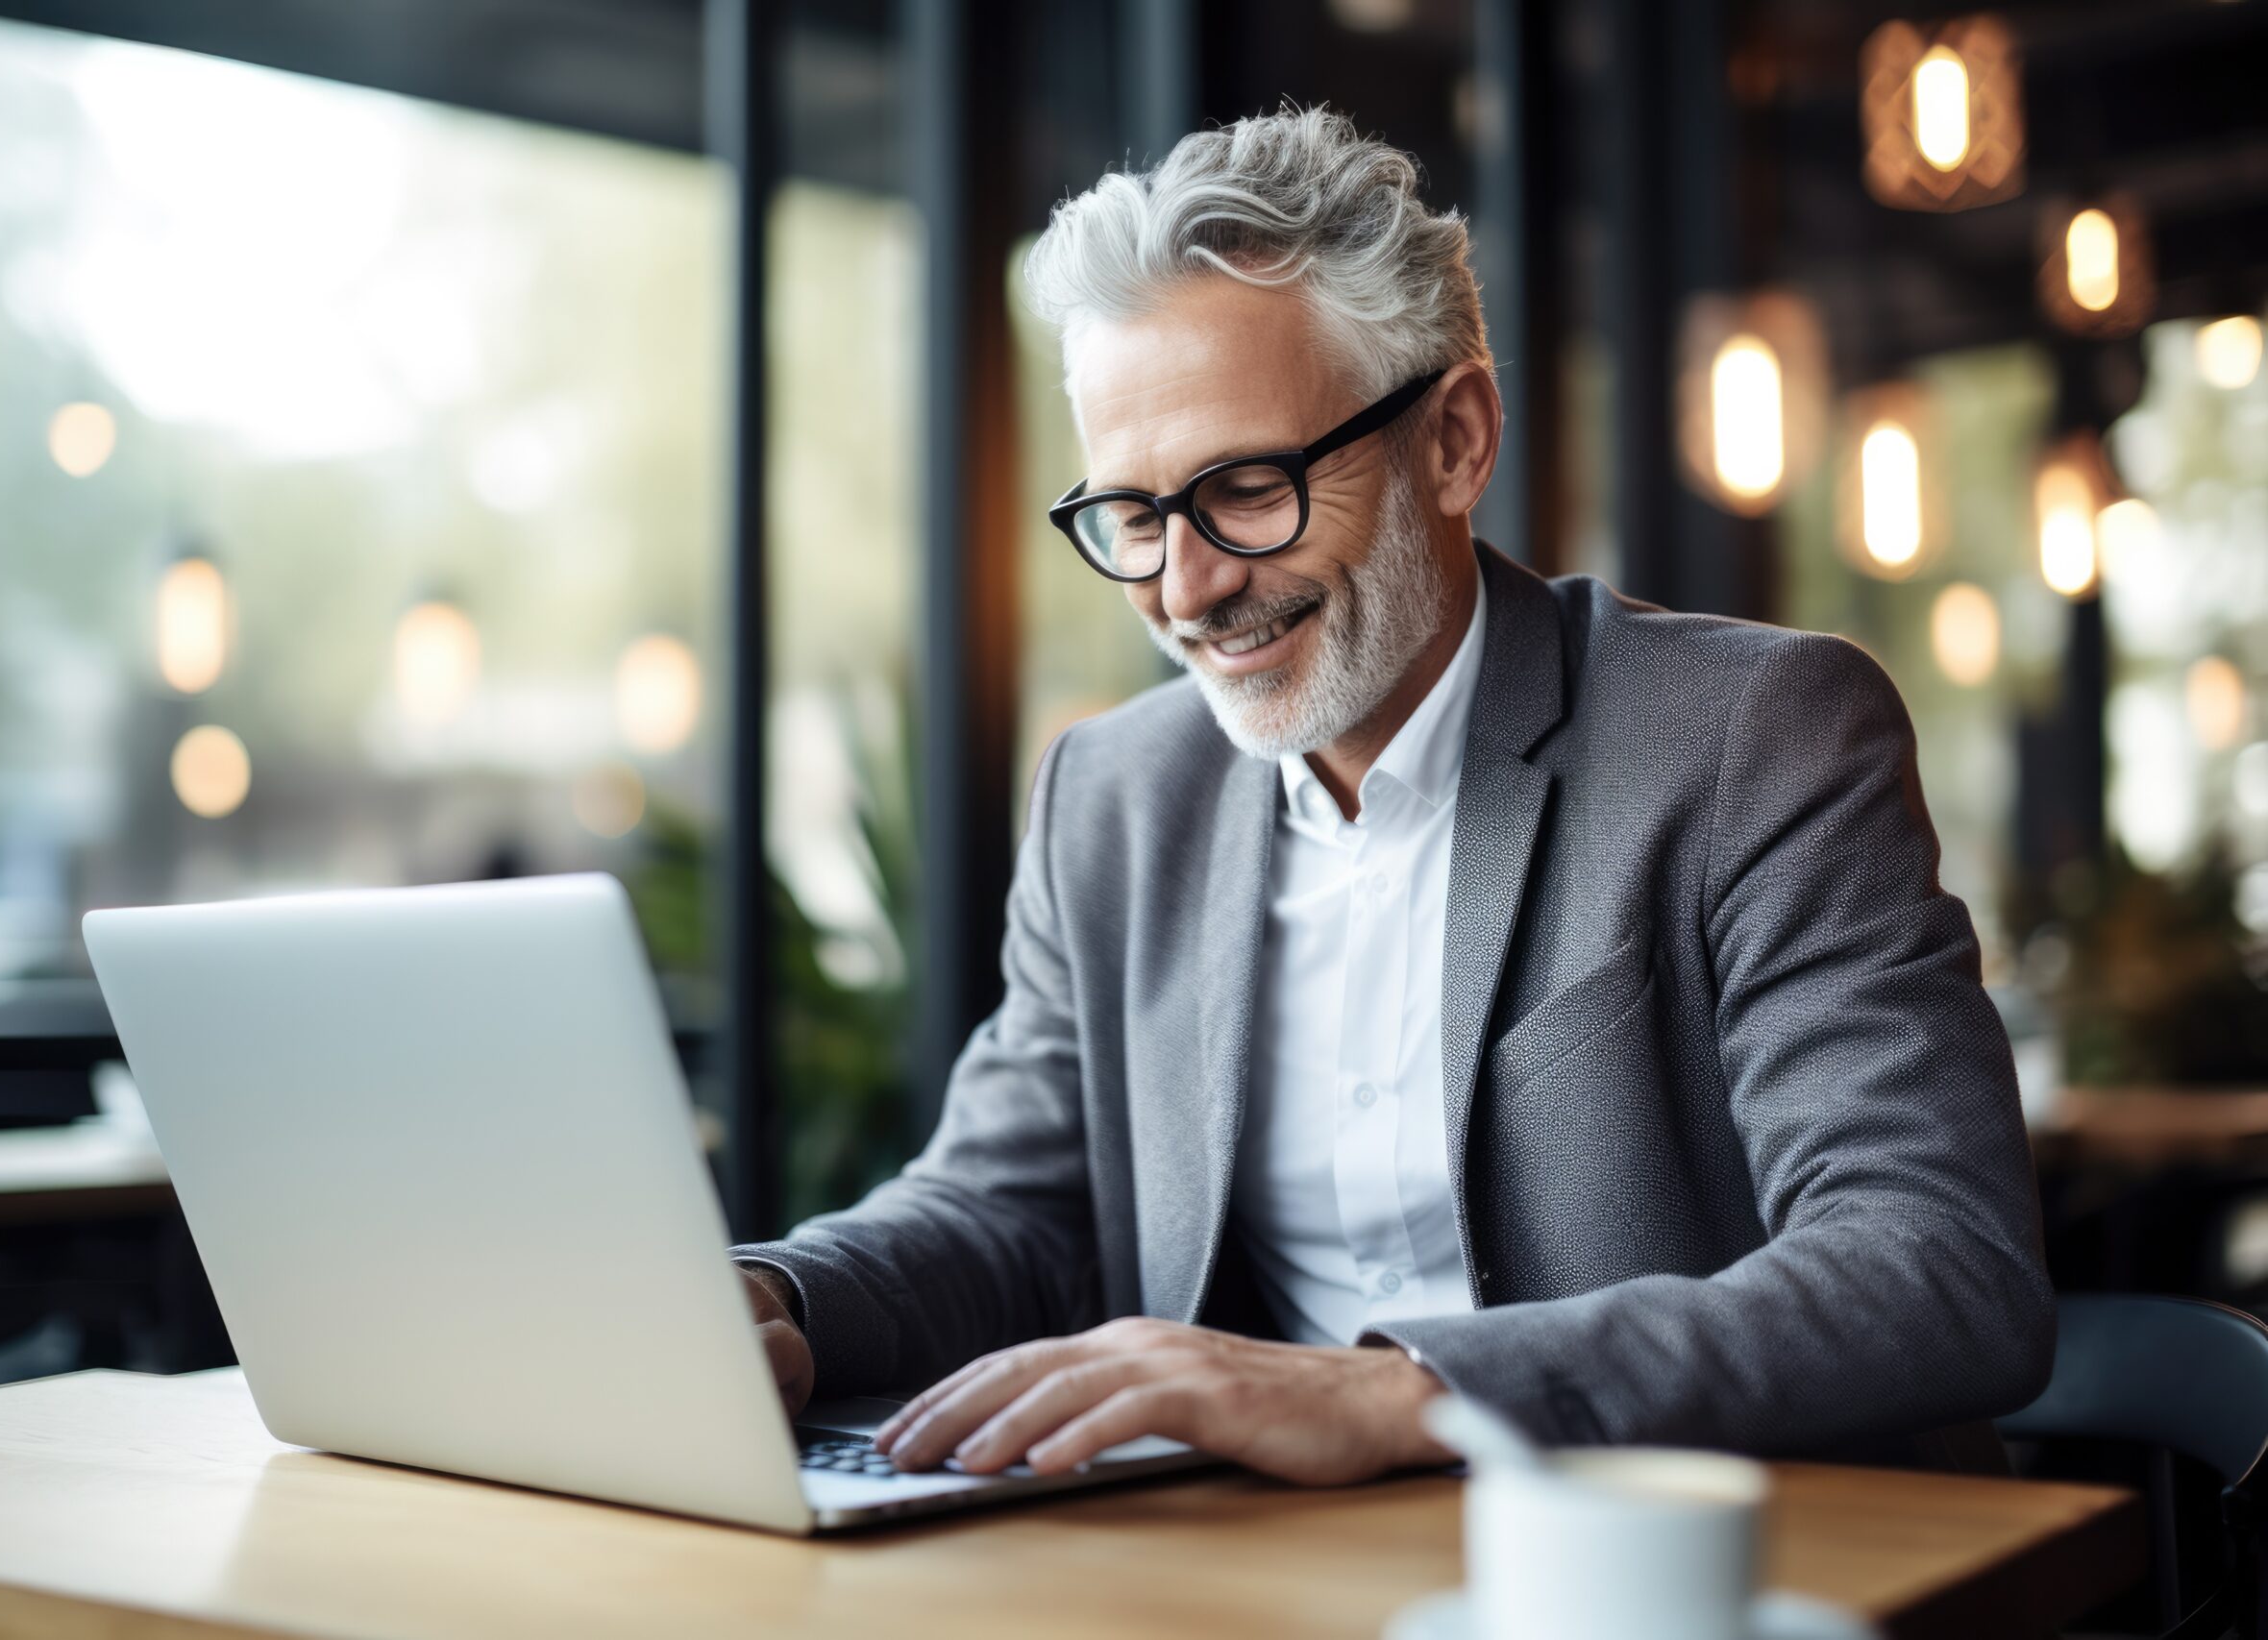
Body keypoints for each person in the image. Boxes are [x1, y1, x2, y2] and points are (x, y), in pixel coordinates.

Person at [730, 106, 2053, 1484]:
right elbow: (1004, 1210)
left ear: (1455, 441)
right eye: (1131, 516)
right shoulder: (1114, 798)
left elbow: (1938, 1269)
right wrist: (778, 1303)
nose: (1187, 593)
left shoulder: (1753, 738)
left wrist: (1398, 1397)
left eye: (1248, 489)